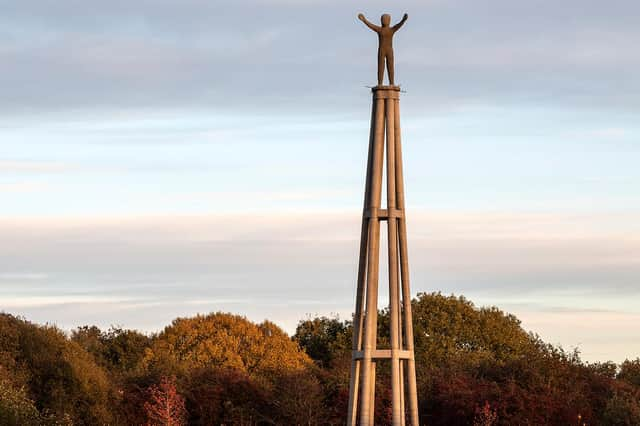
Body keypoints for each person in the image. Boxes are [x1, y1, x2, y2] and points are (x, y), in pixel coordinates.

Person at [358, 13, 408, 86]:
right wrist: (364, 20)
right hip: (381, 50)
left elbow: (398, 25)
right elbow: (371, 26)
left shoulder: (391, 30)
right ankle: (380, 83)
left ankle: (391, 83)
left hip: (389, 51)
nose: (385, 20)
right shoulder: (380, 30)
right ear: (381, 21)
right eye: (383, 19)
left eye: (386, 19)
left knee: (390, 66)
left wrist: (403, 20)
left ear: (389, 21)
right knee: (381, 67)